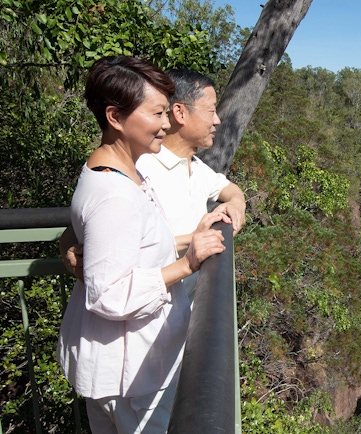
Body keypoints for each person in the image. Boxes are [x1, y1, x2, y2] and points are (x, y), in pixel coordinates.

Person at [57, 55, 231, 433]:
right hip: (131, 375)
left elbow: (126, 240)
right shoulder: (115, 191)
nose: (165, 125)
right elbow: (109, 294)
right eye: (156, 114)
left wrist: (191, 237)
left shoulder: (118, 169)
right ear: (116, 117)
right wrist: (186, 264)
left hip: (127, 367)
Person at [61, 68, 246, 297]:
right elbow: (96, 224)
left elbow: (229, 189)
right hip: (143, 314)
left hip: (180, 313)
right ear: (179, 113)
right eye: (211, 111)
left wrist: (236, 205)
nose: (217, 120)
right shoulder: (139, 168)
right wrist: (69, 246)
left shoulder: (195, 166)